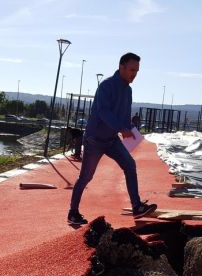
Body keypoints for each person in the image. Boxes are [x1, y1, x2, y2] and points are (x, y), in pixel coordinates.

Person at [67, 52, 157, 225]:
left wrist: (130, 129)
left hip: (112, 140)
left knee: (130, 165)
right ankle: (73, 212)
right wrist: (120, 127)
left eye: (137, 71)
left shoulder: (128, 91)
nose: (134, 74)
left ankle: (137, 207)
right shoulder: (106, 86)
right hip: (94, 140)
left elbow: (124, 115)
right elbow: (103, 112)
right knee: (86, 177)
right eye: (132, 70)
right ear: (121, 67)